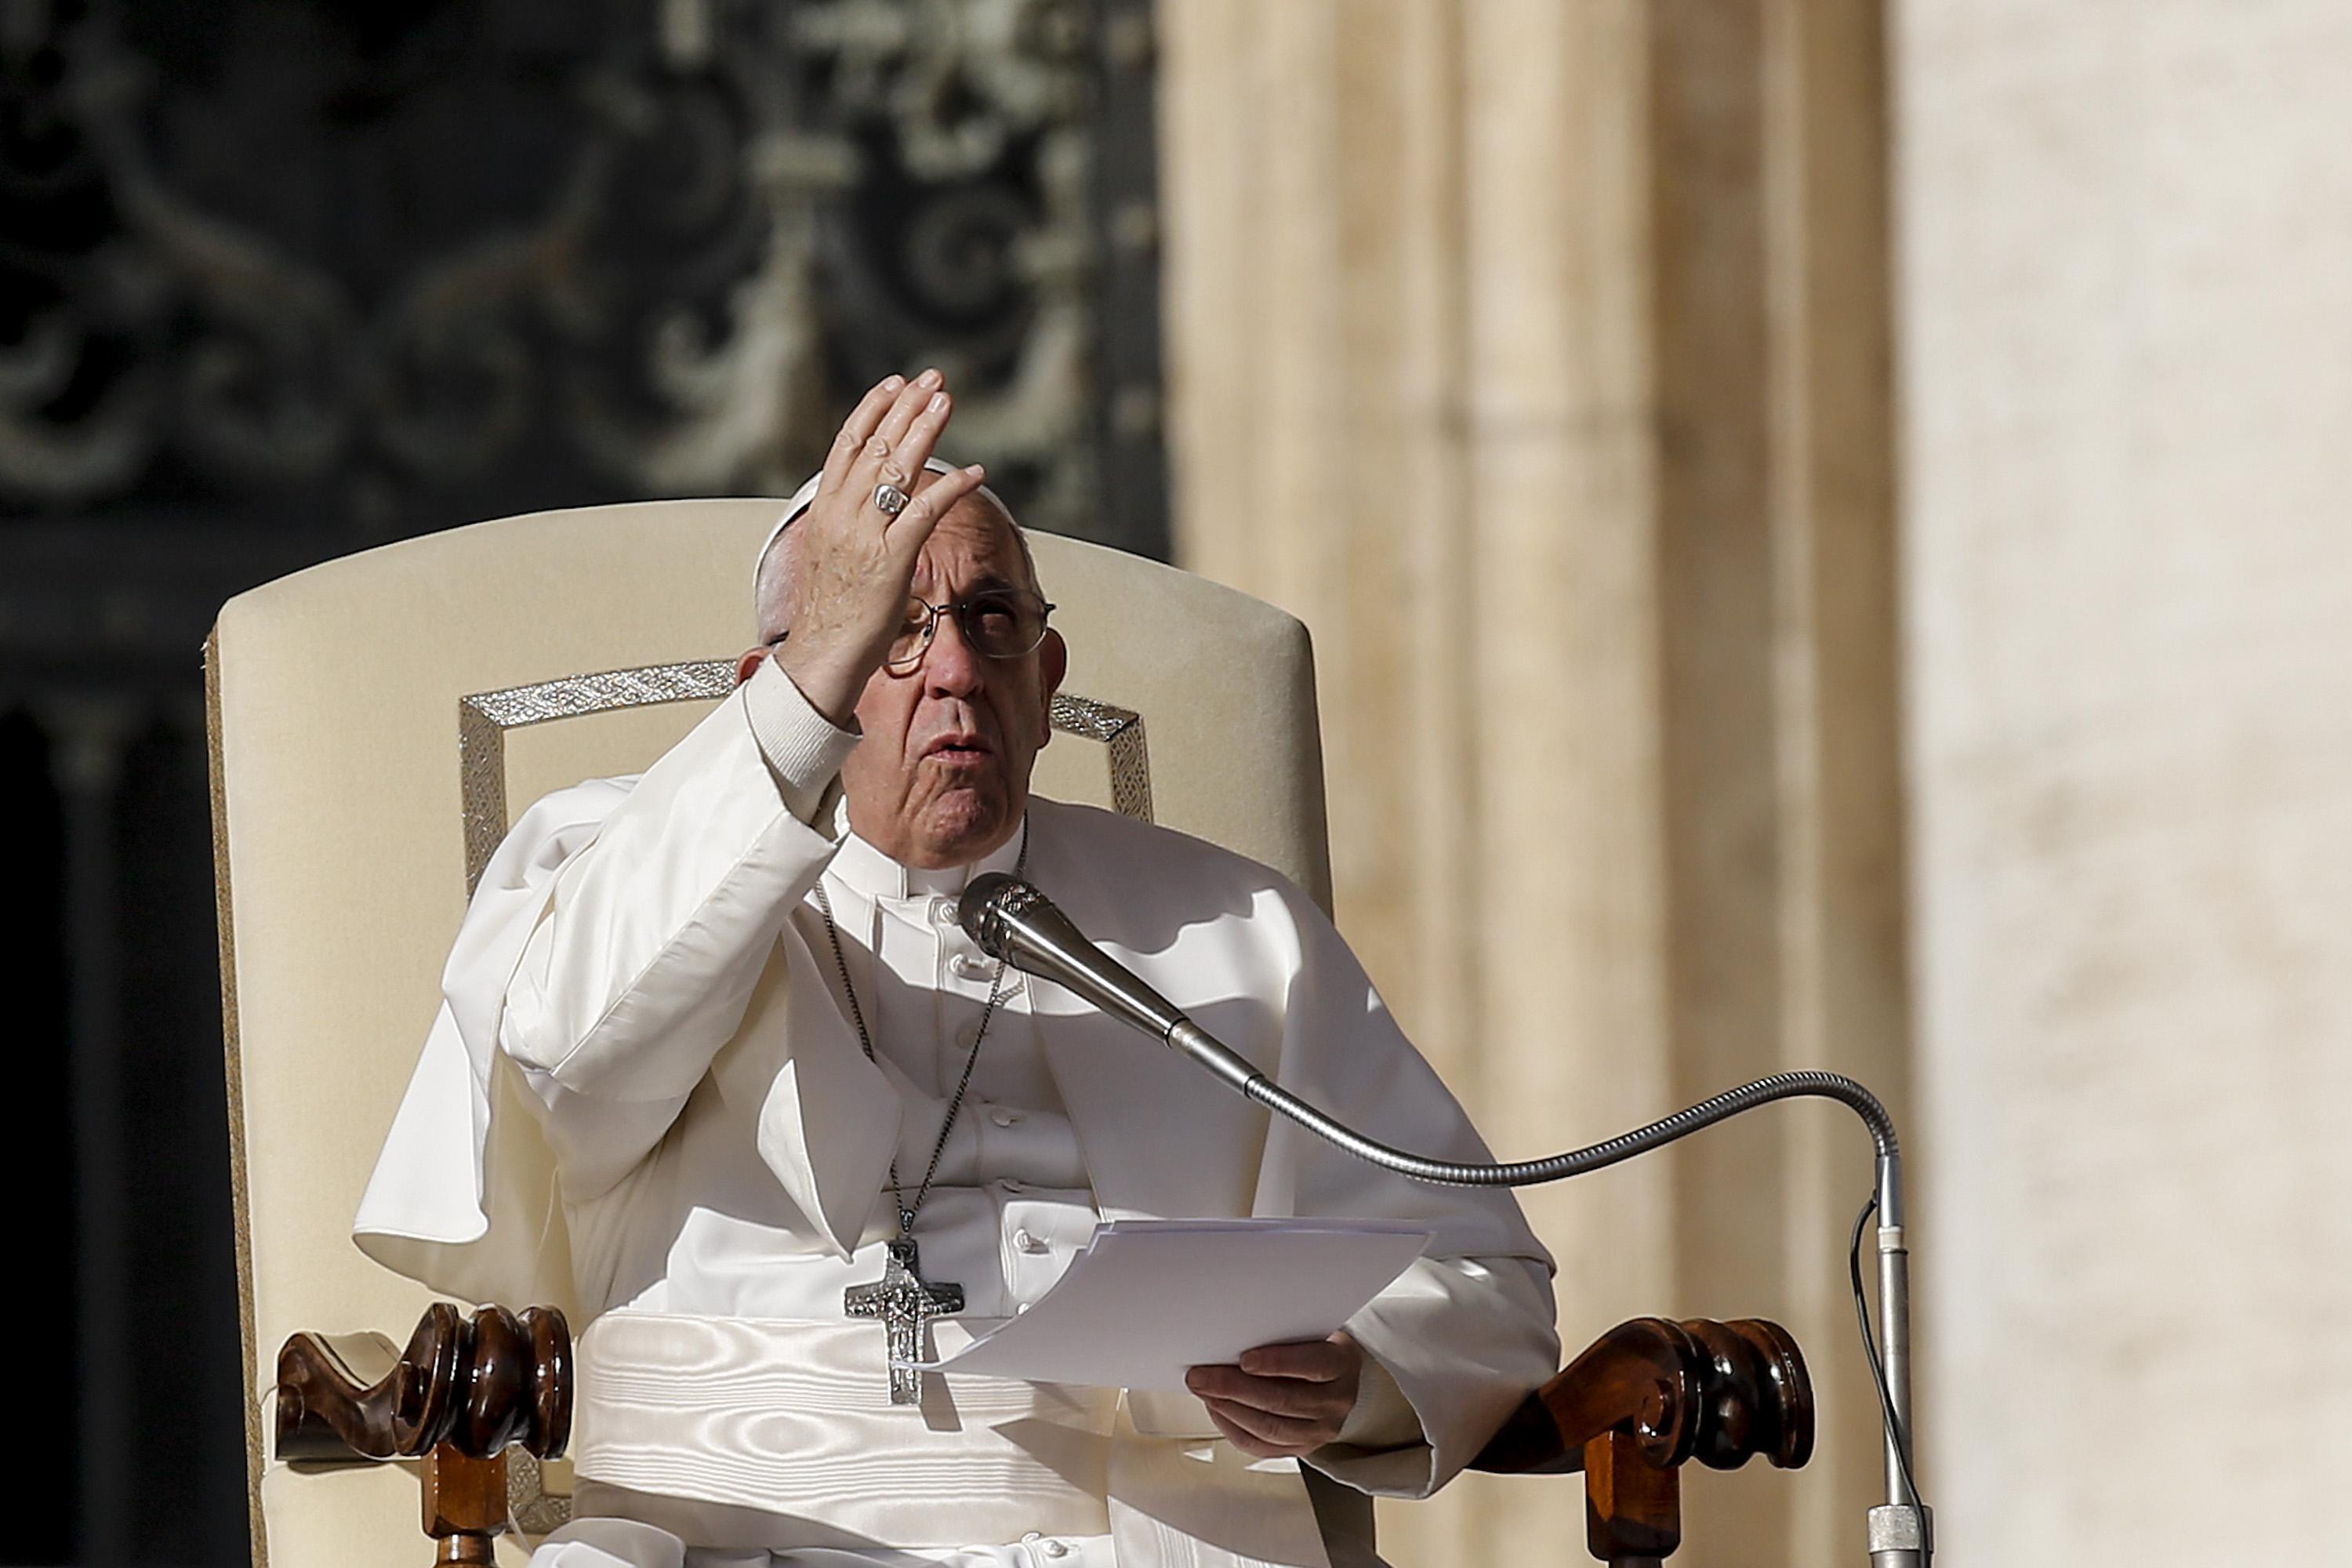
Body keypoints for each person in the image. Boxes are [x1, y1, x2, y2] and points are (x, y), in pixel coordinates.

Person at [355, 370, 1558, 1568]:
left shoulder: (1230, 927)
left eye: (992, 622)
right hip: (739, 1543)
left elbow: (1483, 1278)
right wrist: (805, 685)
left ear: (1047, 685)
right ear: (773, 683)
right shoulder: (623, 868)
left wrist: (1361, 1377)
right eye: (888, 630)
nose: (953, 670)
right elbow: (567, 1059)